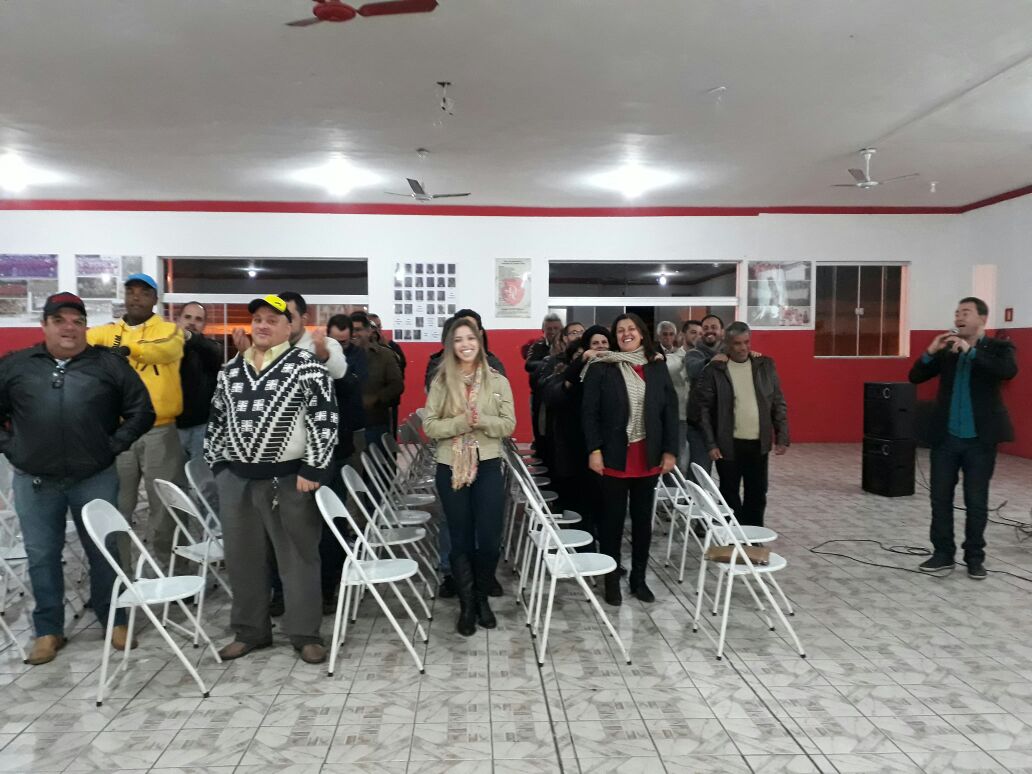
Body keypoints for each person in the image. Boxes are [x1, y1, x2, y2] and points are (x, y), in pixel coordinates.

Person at [0, 293, 155, 664]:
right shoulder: (17, 366)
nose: (69, 328)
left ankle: (115, 618)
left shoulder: (108, 364)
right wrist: (13, 448)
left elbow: (142, 410)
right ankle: (47, 630)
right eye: (59, 320)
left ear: (86, 326)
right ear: (45, 325)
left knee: (105, 550)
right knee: (42, 555)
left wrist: (112, 445)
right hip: (35, 480)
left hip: (94, 476)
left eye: (77, 321)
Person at [205, 294, 338, 664]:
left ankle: (305, 634)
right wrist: (219, 467)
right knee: (242, 559)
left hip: (289, 480)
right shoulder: (231, 370)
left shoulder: (307, 366)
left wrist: (313, 468)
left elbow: (325, 418)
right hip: (238, 480)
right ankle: (250, 631)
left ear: (288, 326)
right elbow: (216, 419)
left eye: (272, 320)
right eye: (258, 319)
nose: (263, 325)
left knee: (298, 560)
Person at [909, 297, 1018, 579]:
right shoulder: (947, 350)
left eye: (966, 312)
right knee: (940, 499)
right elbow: (915, 376)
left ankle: (975, 558)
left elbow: (1007, 371)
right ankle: (942, 554)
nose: (959, 317)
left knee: (976, 501)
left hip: (980, 441)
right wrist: (930, 351)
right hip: (945, 438)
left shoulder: (999, 348)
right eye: (957, 312)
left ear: (982, 318)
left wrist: (970, 352)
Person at [423, 316, 516, 636]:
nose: (465, 344)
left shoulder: (497, 381)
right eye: (458, 339)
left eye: (471, 338)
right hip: (451, 466)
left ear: (480, 342)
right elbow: (430, 426)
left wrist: (482, 420)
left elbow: (508, 425)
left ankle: (481, 598)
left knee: (489, 538)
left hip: (487, 464)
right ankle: (467, 606)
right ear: (451, 345)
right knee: (460, 537)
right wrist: (461, 423)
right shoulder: (441, 381)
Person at [86, 273, 185, 570]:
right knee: (118, 506)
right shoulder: (106, 332)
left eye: (144, 292)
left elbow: (166, 350)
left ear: (155, 298)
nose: (136, 297)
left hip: (160, 430)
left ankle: (174, 572)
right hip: (120, 432)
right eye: (131, 291)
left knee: (166, 506)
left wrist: (129, 350)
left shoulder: (169, 330)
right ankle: (120, 574)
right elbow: (81, 345)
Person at [582, 313, 678, 606]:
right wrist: (594, 450)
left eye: (631, 328)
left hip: (647, 456)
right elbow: (589, 413)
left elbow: (669, 411)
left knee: (642, 523)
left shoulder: (656, 367)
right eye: (620, 330)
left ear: (641, 333)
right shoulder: (601, 367)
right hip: (613, 457)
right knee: (611, 524)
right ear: (615, 337)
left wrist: (670, 450)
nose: (626, 333)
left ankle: (639, 579)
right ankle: (611, 580)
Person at [692, 321, 789, 528]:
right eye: (737, 343)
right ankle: (734, 536)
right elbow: (703, 410)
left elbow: (777, 401)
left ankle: (753, 537)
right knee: (729, 493)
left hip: (758, 443)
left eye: (746, 342)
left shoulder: (765, 365)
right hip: (727, 443)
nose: (743, 347)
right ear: (727, 344)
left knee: (757, 493)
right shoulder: (715, 370)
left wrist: (782, 435)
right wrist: (711, 443)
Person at [539, 324, 612, 550]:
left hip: (605, 449)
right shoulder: (569, 376)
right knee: (583, 505)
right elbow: (554, 395)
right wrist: (580, 363)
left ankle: (604, 551)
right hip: (575, 451)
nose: (598, 348)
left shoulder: (612, 372)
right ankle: (585, 550)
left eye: (604, 343)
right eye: (593, 345)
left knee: (605, 507)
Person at [320, 313, 369, 612]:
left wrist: (336, 369)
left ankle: (332, 579)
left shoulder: (357, 359)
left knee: (337, 512)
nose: (340, 345)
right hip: (315, 451)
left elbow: (353, 389)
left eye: (344, 341)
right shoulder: (311, 358)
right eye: (334, 340)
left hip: (343, 442)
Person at [175, 301, 223, 462]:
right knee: (173, 475)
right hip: (172, 427)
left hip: (202, 428)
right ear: (178, 319)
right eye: (187, 317)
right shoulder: (167, 349)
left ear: (204, 325)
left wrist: (188, 336)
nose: (192, 322)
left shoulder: (210, 348)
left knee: (199, 476)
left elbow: (212, 350)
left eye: (198, 319)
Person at [351, 311, 403, 452]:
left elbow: (397, 385)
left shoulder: (385, 355)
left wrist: (376, 399)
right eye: (351, 330)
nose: (354, 334)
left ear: (368, 331)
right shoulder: (339, 356)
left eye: (358, 329)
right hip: (348, 427)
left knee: (377, 463)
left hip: (375, 423)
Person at [424, 309, 507, 391]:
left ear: (480, 333)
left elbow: (501, 392)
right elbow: (432, 392)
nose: (465, 343)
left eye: (471, 330)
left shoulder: (492, 363)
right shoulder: (437, 364)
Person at [684, 314, 724, 482]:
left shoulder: (731, 354)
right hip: (699, 425)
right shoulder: (693, 354)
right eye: (706, 328)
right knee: (699, 473)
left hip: (725, 425)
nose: (709, 331)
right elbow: (693, 370)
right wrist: (712, 361)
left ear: (722, 331)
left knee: (729, 476)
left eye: (714, 327)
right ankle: (693, 499)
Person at [275, 291, 348, 380]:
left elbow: (339, 372)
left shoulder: (326, 343)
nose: (284, 322)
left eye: (289, 317)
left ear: (304, 319)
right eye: (278, 317)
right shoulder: (269, 346)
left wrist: (323, 354)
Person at [525, 312, 564, 451]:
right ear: (543, 330)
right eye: (549, 329)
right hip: (539, 393)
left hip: (559, 393)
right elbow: (528, 365)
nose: (552, 331)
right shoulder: (537, 346)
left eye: (556, 328)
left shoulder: (566, 346)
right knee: (539, 424)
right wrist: (548, 362)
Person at [657, 321, 690, 472]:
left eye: (671, 334)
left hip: (679, 409)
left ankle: (677, 481)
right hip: (660, 409)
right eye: (665, 334)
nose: (668, 338)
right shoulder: (652, 353)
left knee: (679, 452)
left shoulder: (682, 354)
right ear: (659, 336)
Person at [368, 312, 406, 435]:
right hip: (368, 408)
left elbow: (400, 373)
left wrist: (385, 347)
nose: (377, 330)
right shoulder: (361, 349)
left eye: (379, 326)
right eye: (373, 327)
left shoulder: (393, 347)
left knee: (389, 438)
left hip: (389, 404)